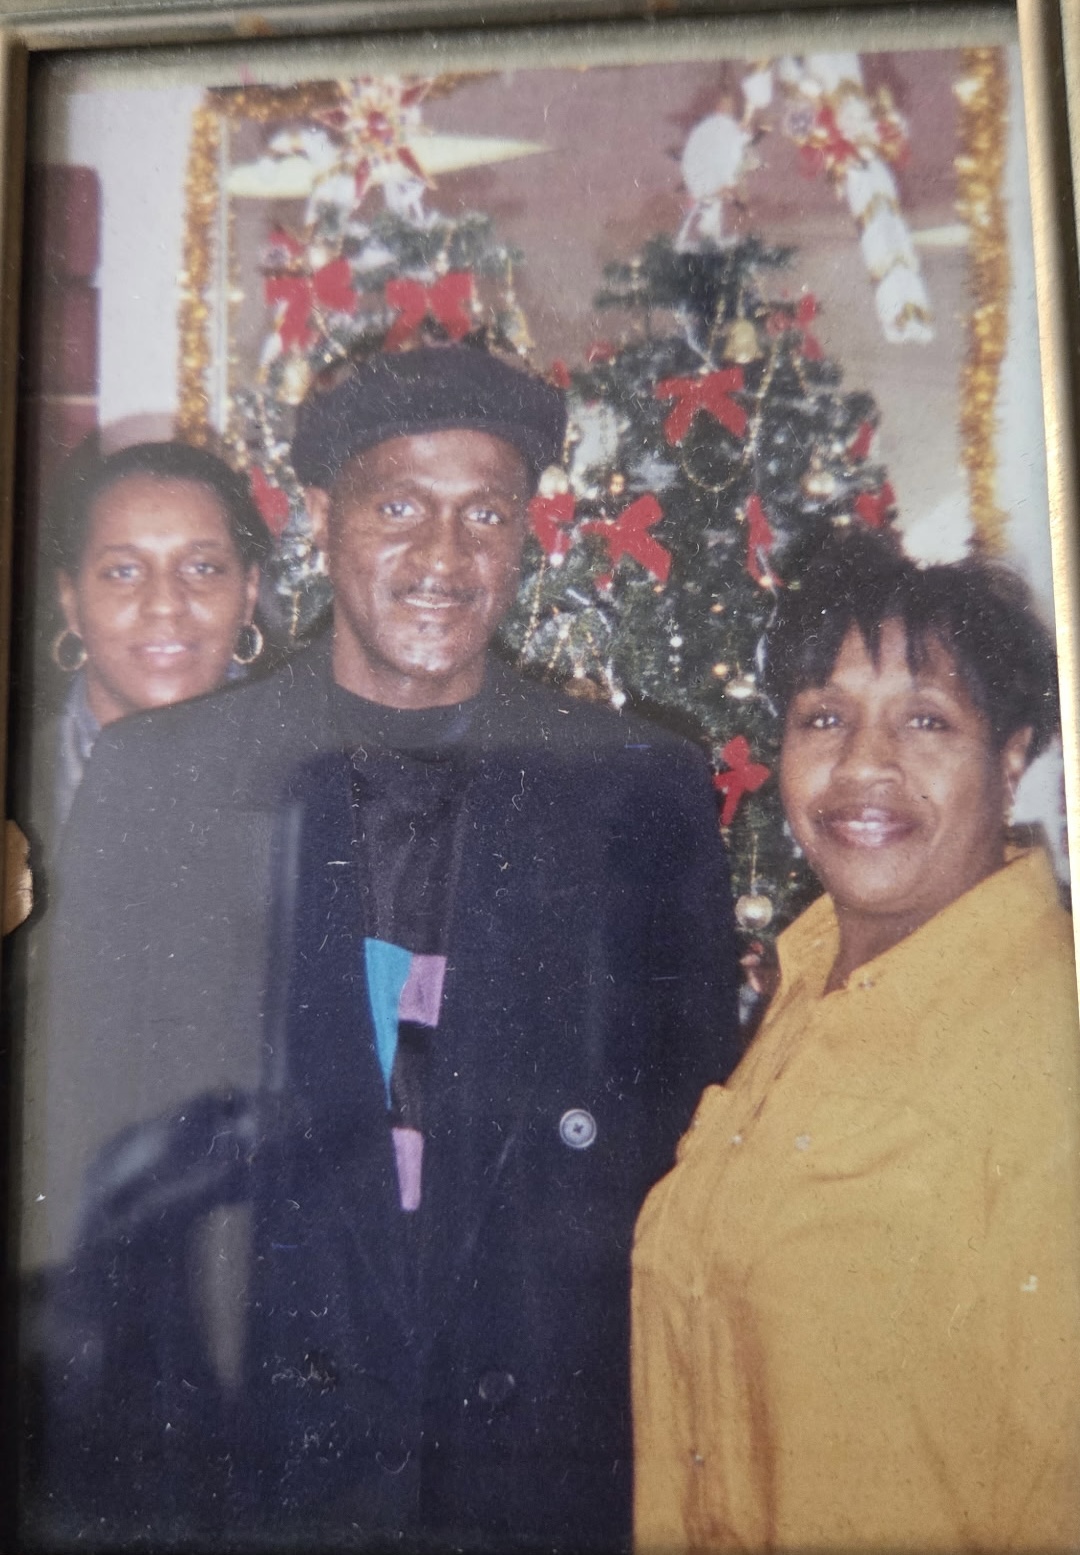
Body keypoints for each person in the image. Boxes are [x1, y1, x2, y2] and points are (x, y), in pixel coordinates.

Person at [28, 345, 739, 1553]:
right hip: (242, 1477)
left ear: (527, 535)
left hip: (527, 1485)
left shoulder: (640, 791)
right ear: (319, 518)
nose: (443, 557)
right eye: (400, 506)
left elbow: (680, 1180)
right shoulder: (165, 785)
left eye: (485, 514)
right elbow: (85, 1181)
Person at [631, 528, 1080, 1553]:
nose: (862, 765)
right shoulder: (801, 986)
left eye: (926, 721)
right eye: (823, 717)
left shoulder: (1048, 1042)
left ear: (1010, 756)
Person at [42, 438, 271, 834]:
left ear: (248, 593)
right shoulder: (23, 781)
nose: (165, 604)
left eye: (202, 568)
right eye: (123, 572)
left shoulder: (321, 780)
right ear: (71, 601)